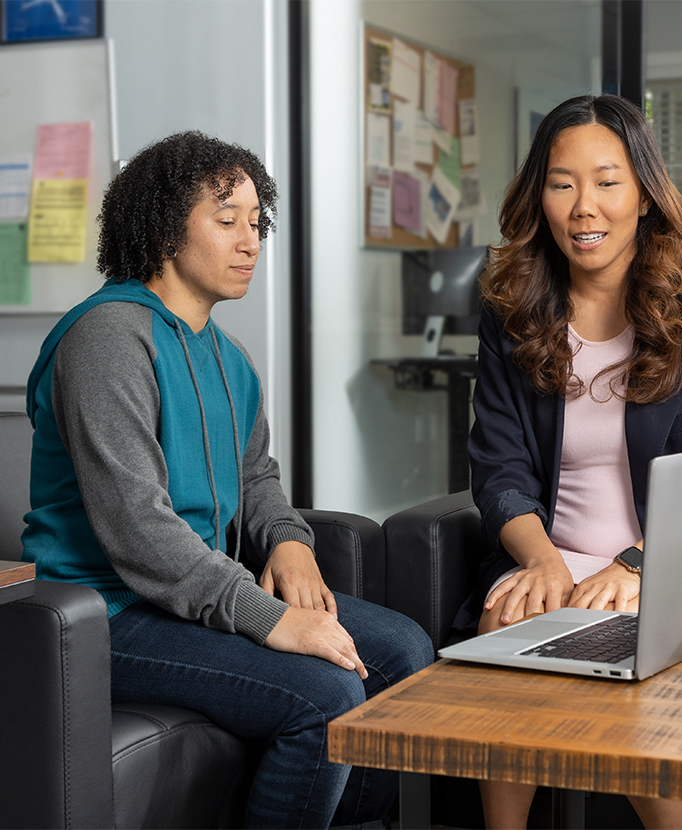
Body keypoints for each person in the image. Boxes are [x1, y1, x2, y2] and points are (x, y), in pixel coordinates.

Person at [22, 131, 434, 829]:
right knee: (323, 695)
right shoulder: (107, 340)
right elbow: (139, 530)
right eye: (226, 220)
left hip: (181, 598)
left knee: (407, 652)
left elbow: (257, 477)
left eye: (256, 222)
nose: (250, 241)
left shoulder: (228, 355)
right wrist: (268, 618)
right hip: (107, 613)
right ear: (162, 231)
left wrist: (290, 544)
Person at [459, 94, 682, 830]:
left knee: (642, 631)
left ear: (644, 193)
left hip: (677, 561)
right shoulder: (510, 309)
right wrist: (540, 560)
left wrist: (637, 565)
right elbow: (499, 465)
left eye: (607, 181)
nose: (586, 206)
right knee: (501, 613)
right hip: (556, 551)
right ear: (537, 197)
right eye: (562, 183)